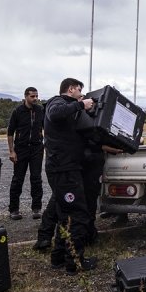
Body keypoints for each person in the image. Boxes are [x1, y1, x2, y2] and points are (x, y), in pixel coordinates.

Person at [43, 77, 97, 273]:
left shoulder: (69, 107)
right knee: (78, 214)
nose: (81, 95)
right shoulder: (56, 102)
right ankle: (75, 262)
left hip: (65, 167)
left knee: (64, 214)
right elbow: (56, 114)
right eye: (79, 91)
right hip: (63, 169)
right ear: (71, 88)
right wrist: (80, 104)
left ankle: (58, 257)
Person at [7, 87, 45, 221]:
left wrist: (44, 144)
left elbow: (46, 127)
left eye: (36, 96)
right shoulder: (18, 111)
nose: (35, 99)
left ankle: (36, 208)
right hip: (21, 149)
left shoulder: (40, 110)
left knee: (36, 178)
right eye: (32, 96)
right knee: (18, 179)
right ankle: (14, 209)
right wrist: (12, 151)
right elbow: (10, 132)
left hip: (36, 149)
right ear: (26, 97)